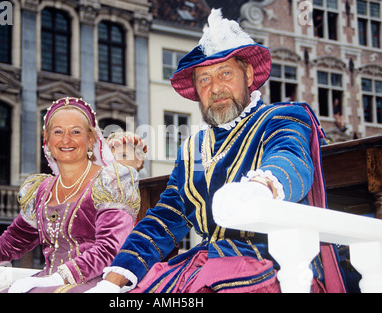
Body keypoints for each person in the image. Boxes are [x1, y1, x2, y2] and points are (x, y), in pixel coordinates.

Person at [86, 9, 346, 293]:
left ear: (247, 74)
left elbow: (290, 159)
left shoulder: (281, 118)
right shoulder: (194, 149)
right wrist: (114, 279)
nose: (216, 88)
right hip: (206, 265)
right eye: (204, 80)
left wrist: (260, 187)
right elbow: (167, 216)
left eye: (225, 73)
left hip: (274, 264)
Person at [0, 97, 140, 293]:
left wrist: (55, 279)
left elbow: (111, 248)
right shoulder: (41, 190)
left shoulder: (112, 180)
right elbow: (6, 245)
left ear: (91, 138)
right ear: (47, 140)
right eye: (58, 132)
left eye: (75, 131)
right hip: (48, 284)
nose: (66, 139)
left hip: (96, 284)